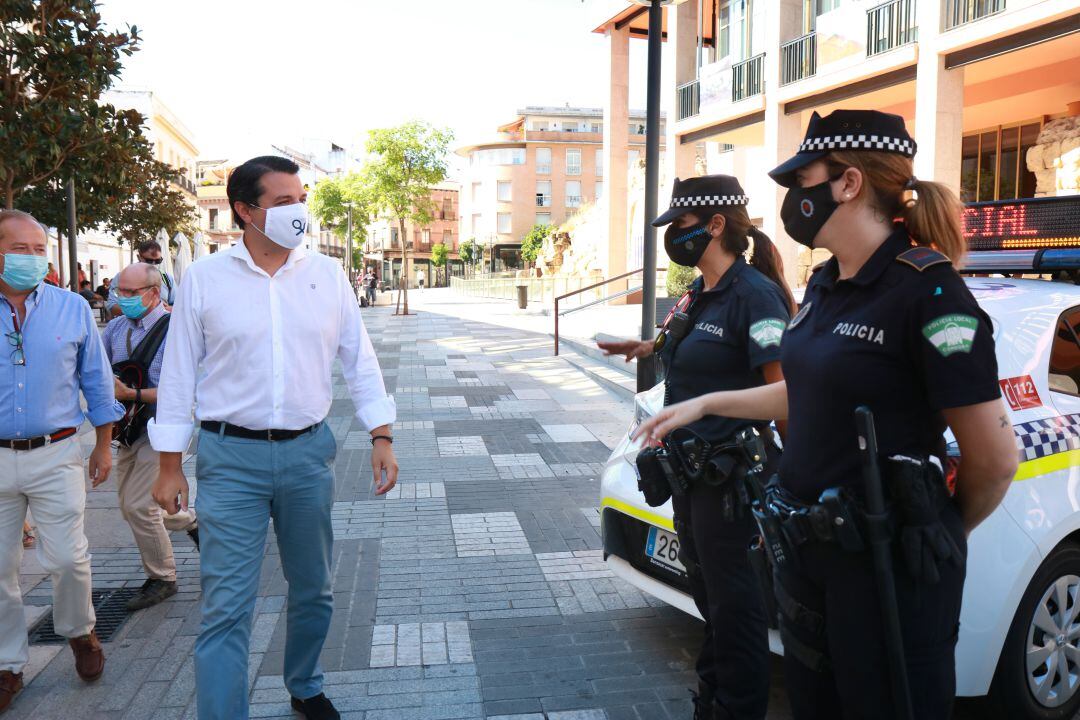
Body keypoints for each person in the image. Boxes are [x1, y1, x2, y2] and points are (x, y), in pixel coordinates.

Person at [634, 110, 1019, 720]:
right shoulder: (825, 285)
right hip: (810, 561)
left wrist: (933, 532)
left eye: (802, 180)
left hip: (886, 575)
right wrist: (704, 404)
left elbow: (996, 460)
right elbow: (807, 392)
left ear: (848, 183)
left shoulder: (930, 293)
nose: (793, 198)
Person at [149, 156, 398, 720]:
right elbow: (180, 373)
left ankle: (304, 683)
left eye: (301, 198)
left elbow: (360, 360)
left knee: (314, 588)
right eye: (284, 202)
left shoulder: (327, 276)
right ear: (245, 209)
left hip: (308, 454)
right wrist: (169, 464)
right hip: (228, 457)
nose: (299, 211)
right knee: (226, 607)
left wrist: (381, 434)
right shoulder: (205, 279)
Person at [600, 176, 794, 720]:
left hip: (729, 481)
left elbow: (784, 397)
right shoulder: (700, 292)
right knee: (711, 603)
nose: (671, 238)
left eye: (680, 227)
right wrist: (644, 347)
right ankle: (712, 702)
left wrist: (709, 405)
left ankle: (736, 709)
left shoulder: (754, 295)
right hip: (689, 476)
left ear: (715, 225)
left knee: (736, 612)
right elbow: (689, 346)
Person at [0, 210, 124, 711]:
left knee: (69, 559)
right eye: (20, 248)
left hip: (56, 452)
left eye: (38, 249)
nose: (32, 258)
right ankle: (8, 664)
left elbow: (96, 379)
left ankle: (80, 632)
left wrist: (103, 445)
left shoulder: (72, 308)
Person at [101, 263, 198, 611]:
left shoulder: (176, 330)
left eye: (130, 292)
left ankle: (163, 577)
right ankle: (192, 522)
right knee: (143, 506)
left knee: (137, 506)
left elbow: (182, 391)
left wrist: (131, 395)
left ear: (154, 293)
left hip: (163, 428)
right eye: (119, 291)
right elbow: (101, 374)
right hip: (127, 427)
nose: (121, 298)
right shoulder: (113, 329)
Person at [106, 241, 176, 316]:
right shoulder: (123, 277)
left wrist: (167, 308)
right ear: (139, 257)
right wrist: (142, 310)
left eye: (158, 261)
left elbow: (178, 306)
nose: (153, 264)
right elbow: (112, 307)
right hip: (131, 325)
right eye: (149, 260)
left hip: (162, 325)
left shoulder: (166, 278)